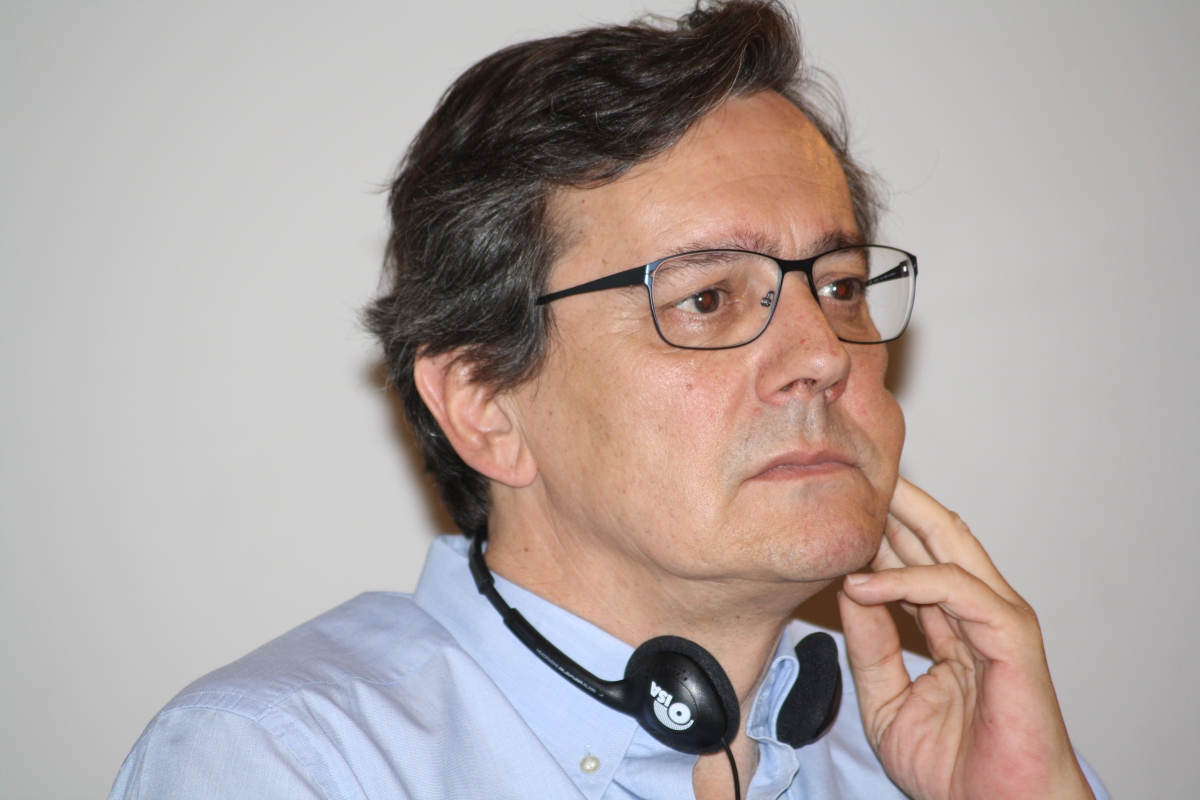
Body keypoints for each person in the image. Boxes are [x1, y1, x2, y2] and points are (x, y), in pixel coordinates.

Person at [109, 2, 1109, 798]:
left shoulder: (957, 749)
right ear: (484, 402)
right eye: (707, 299)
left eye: (841, 286)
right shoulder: (284, 762)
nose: (822, 354)